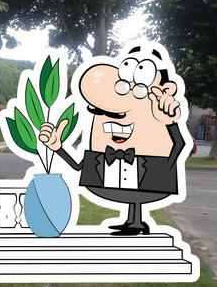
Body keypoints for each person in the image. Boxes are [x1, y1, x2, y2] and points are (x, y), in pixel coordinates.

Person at [39, 45, 186, 236]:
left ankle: (136, 222)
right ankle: (132, 221)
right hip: (113, 171)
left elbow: (179, 143)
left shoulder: (159, 116)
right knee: (132, 193)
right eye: (101, 111)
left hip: (150, 170)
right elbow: (77, 167)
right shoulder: (101, 155)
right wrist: (57, 147)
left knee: (138, 192)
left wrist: (170, 125)